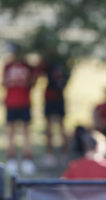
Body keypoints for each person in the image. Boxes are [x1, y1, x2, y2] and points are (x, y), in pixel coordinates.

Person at [2, 42, 37, 175]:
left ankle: (27, 160)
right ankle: (11, 160)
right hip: (11, 102)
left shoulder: (28, 66)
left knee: (26, 132)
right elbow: (4, 83)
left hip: (24, 103)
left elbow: (33, 82)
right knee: (10, 132)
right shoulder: (8, 66)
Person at [36, 48, 70, 167]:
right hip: (50, 97)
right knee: (49, 128)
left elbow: (66, 79)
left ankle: (64, 155)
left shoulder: (63, 63)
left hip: (58, 98)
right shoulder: (48, 63)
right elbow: (38, 72)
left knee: (61, 127)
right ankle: (50, 155)